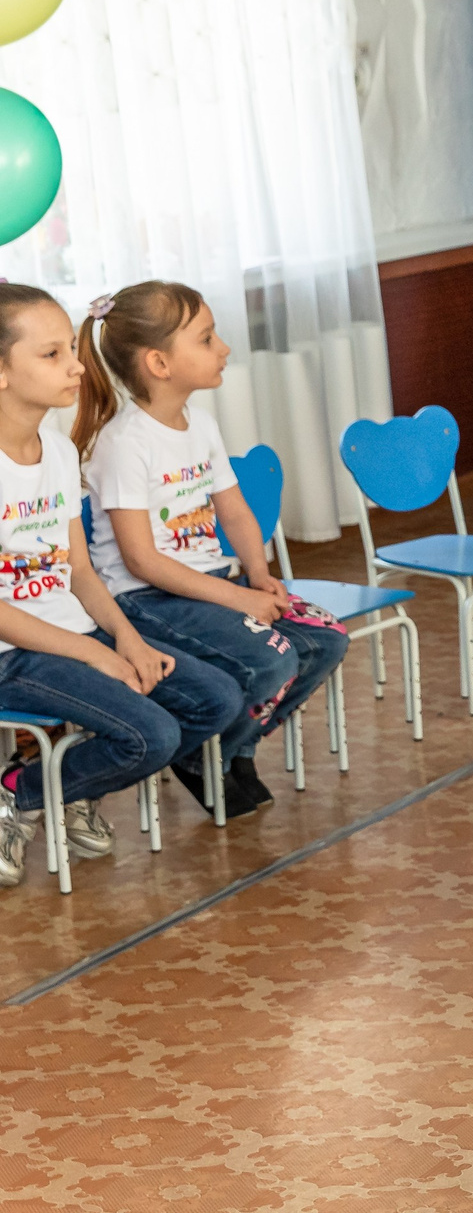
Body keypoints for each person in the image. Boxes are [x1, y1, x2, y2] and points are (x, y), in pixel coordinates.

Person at [74, 281, 349, 816]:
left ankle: (227, 749)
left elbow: (235, 510)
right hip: (147, 598)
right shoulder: (124, 442)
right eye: (206, 338)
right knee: (272, 662)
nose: (223, 348)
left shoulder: (200, 425)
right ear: (159, 362)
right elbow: (142, 561)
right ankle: (206, 755)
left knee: (326, 641)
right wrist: (239, 601)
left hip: (211, 585)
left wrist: (257, 574)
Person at [0, 286, 242, 884]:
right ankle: (18, 792)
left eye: (72, 351)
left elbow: (80, 572)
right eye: (52, 355)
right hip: (13, 651)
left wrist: (126, 640)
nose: (78, 366)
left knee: (216, 697)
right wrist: (93, 653)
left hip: (73, 635)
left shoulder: (57, 452)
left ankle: (70, 784)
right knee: (152, 734)